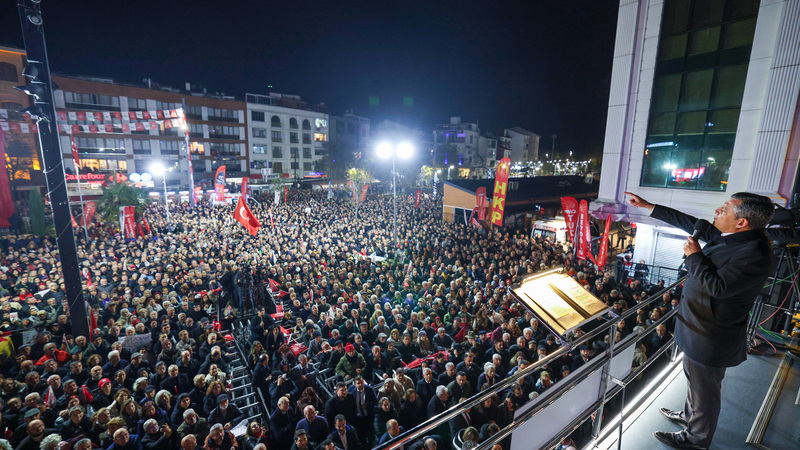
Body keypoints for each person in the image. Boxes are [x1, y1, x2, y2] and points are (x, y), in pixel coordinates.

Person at [626, 191, 775, 449]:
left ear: (742, 222)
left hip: (711, 335)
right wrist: (649, 206)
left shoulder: (755, 254)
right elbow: (690, 222)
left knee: (705, 394)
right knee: (695, 383)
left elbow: (719, 288)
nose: (717, 211)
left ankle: (696, 440)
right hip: (696, 327)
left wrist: (695, 256)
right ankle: (688, 416)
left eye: (725, 209)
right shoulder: (736, 237)